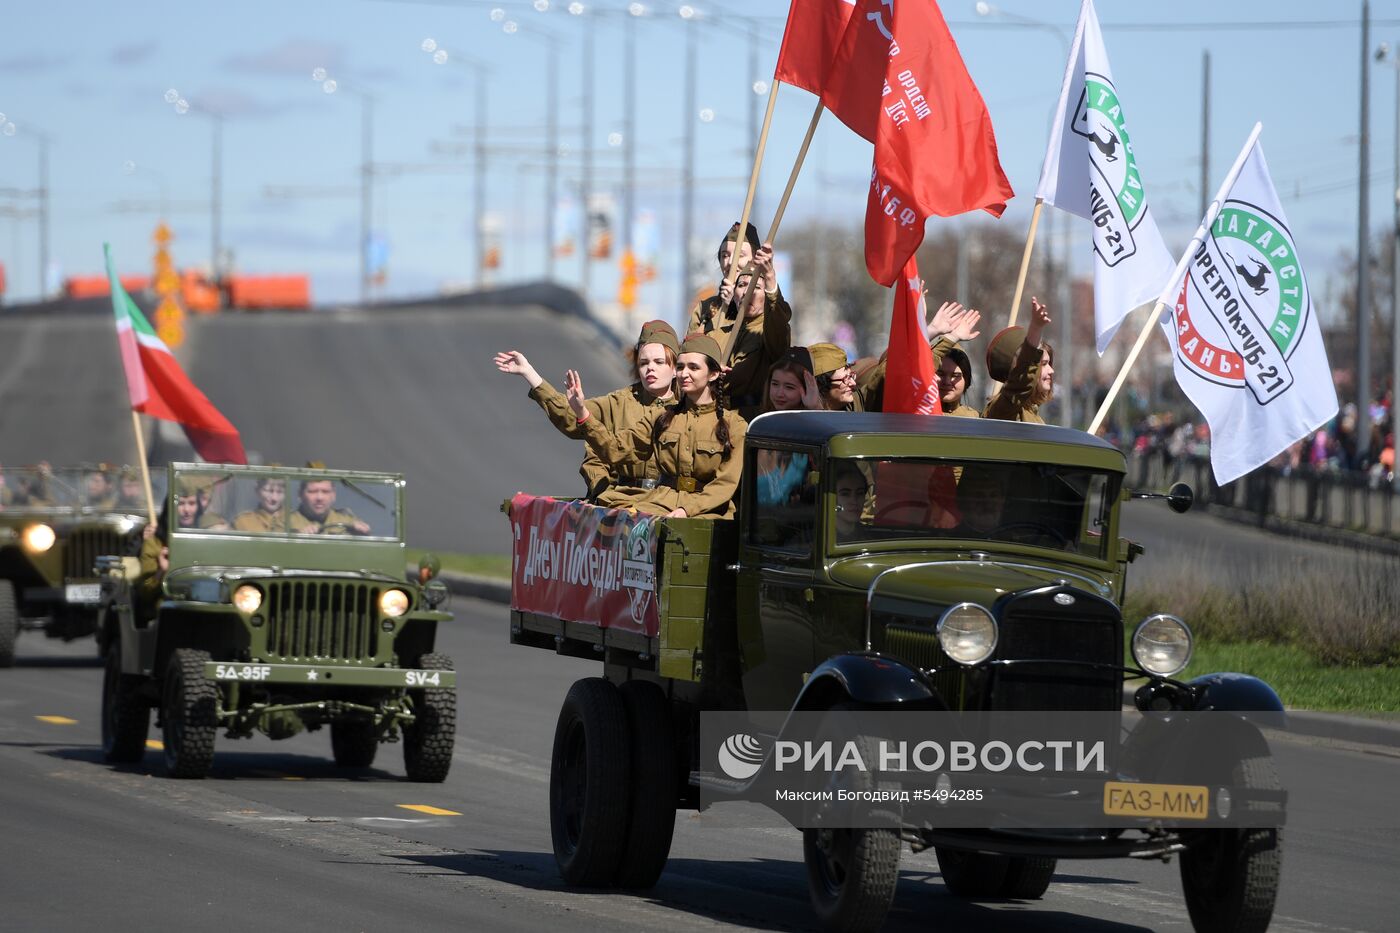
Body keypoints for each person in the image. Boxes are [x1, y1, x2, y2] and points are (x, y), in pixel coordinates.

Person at [495, 319, 679, 505]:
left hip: (667, 503)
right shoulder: (620, 402)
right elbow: (572, 416)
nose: (650, 368)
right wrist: (530, 374)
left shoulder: (685, 407)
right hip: (622, 502)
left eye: (659, 362)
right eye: (644, 363)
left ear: (675, 369)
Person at [565, 333, 748, 519]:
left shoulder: (734, 426)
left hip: (709, 513)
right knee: (615, 510)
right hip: (661, 504)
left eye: (693, 367)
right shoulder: (663, 417)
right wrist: (582, 413)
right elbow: (616, 449)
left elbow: (725, 484)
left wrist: (687, 510)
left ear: (714, 374)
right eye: (680, 367)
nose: (684, 374)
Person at [687, 223, 792, 419]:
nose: (730, 262)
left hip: (748, 416)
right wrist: (720, 309)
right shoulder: (706, 309)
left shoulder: (768, 312)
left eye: (739, 255)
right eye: (725, 255)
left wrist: (768, 277)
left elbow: (778, 327)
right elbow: (690, 356)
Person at [857, 300, 982, 413]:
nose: (947, 382)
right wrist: (930, 332)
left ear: (967, 380)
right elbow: (891, 372)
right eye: (939, 373)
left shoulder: (973, 418)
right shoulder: (908, 412)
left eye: (955, 376)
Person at [755, 348, 823, 506]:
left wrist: (816, 409)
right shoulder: (760, 426)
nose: (779, 393)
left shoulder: (812, 429)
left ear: (807, 389)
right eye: (775, 384)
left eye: (789, 387)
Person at [984, 297, 1054, 423]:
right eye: (1043, 364)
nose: (1051, 371)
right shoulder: (1004, 411)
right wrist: (1035, 329)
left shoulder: (1033, 414)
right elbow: (1020, 382)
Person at [291, 477, 371, 535]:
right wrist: (299, 537)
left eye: (325, 492)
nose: (319, 498)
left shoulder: (348, 521)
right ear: (300, 494)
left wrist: (362, 533)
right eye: (312, 491)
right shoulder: (285, 521)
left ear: (333, 495)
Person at [832, 462, 869, 542]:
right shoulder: (817, 539)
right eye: (845, 494)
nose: (854, 501)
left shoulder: (869, 537)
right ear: (832, 497)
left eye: (860, 493)